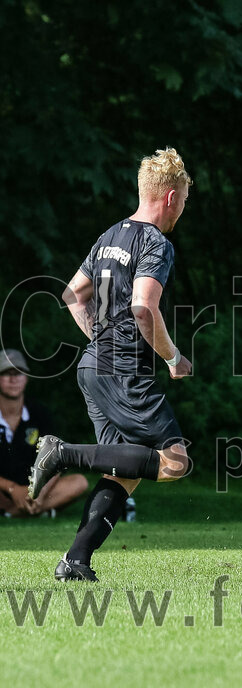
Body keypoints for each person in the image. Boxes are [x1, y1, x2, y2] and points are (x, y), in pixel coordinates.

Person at [28, 148, 195, 581]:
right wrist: (173, 357)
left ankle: (75, 561)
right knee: (175, 461)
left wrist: (99, 340)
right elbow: (143, 307)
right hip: (124, 371)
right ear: (172, 198)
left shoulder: (110, 236)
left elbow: (71, 294)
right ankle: (61, 452)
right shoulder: (155, 242)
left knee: (124, 471)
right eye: (184, 202)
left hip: (93, 366)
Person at [0, 349, 87, 517]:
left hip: (35, 489)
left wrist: (40, 492)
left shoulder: (39, 413)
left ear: (26, 378)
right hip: (3, 489)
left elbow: (57, 459)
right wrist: (12, 488)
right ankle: (36, 511)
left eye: (18, 373)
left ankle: (17, 511)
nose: (13, 379)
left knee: (79, 482)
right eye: (6, 373)